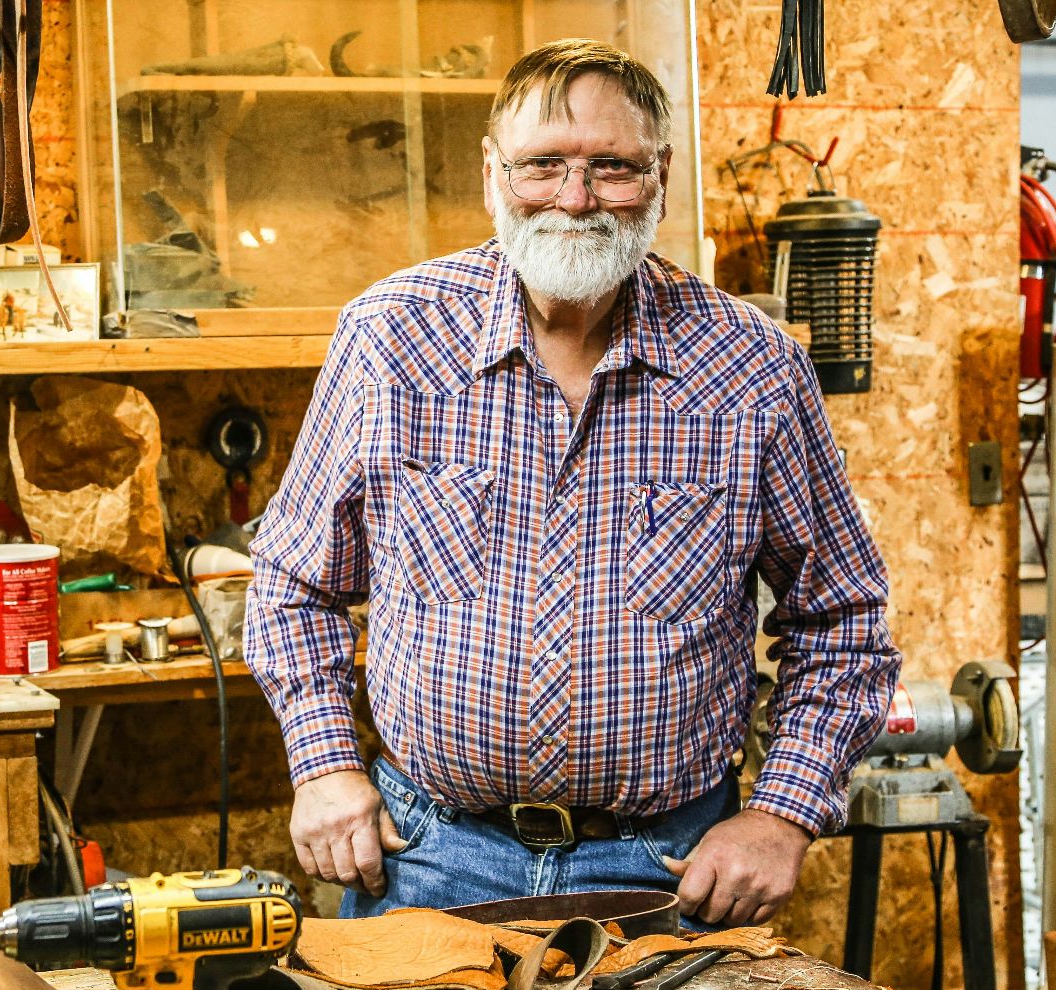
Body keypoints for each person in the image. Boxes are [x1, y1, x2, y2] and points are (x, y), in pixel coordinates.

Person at [243, 38, 901, 928]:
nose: (576, 198)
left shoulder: (753, 372)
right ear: (492, 173)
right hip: (428, 860)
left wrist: (781, 813)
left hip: (666, 871)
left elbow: (842, 619)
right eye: (543, 164)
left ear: (660, 173)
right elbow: (292, 582)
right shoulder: (390, 341)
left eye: (612, 168)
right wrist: (324, 765)